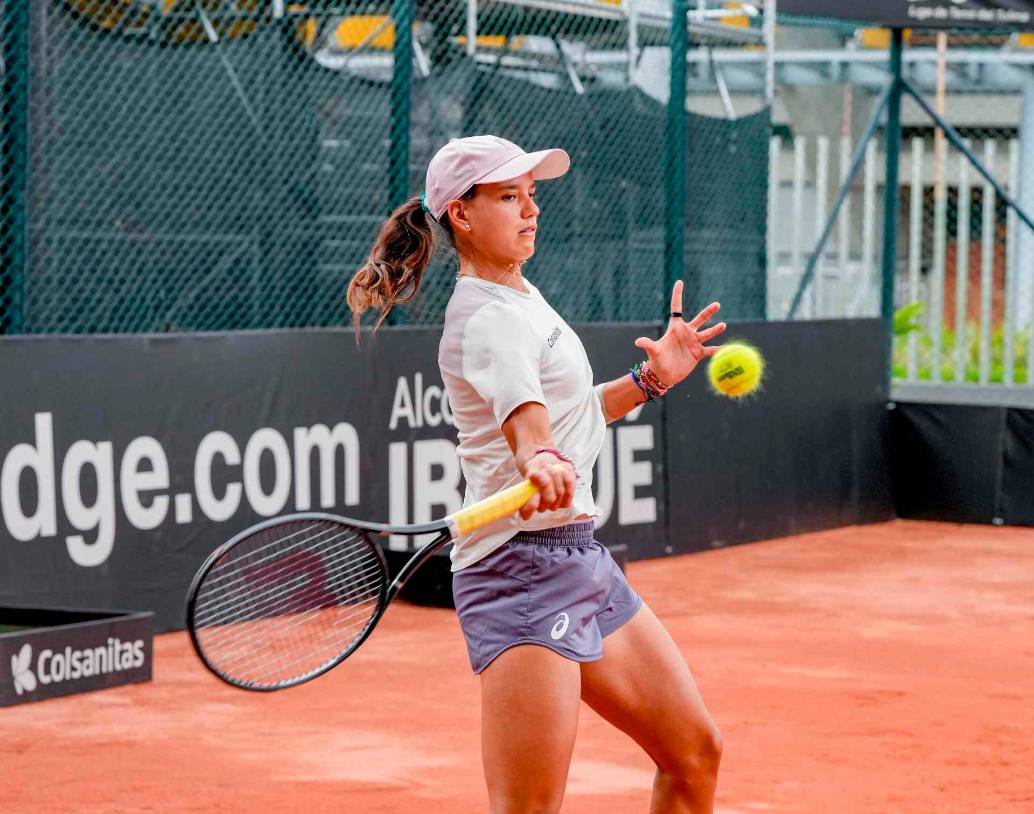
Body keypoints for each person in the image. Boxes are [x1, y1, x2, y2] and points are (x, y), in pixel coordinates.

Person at [348, 135, 727, 814]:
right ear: (461, 215)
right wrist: (539, 458)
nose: (531, 209)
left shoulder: (518, 294)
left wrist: (650, 380)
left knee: (694, 754)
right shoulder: (487, 320)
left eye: (530, 194)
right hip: (520, 573)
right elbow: (529, 426)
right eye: (508, 197)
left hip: (578, 558)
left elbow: (572, 412)